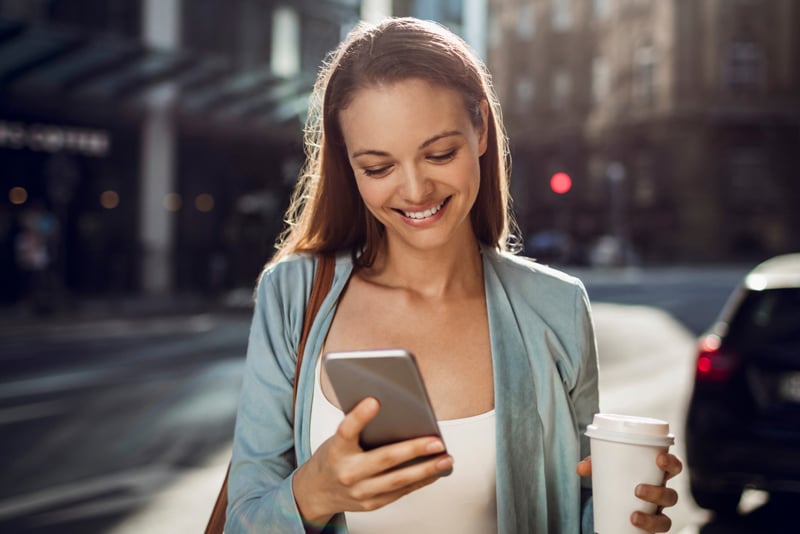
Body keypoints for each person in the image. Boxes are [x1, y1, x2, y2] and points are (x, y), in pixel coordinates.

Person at [225, 17, 682, 533]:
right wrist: (313, 493)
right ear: (348, 166)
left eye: (440, 153)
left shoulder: (557, 307)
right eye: (378, 167)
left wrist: (627, 511)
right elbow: (244, 517)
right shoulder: (293, 295)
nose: (416, 190)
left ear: (481, 129)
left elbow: (577, 510)